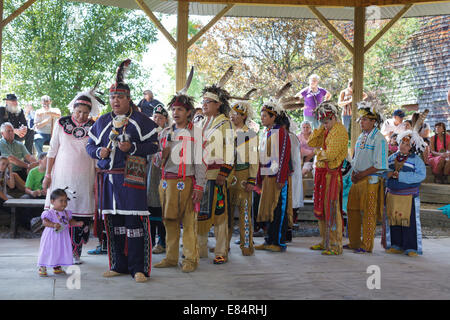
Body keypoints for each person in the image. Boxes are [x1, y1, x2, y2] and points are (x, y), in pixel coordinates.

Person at [86, 59, 158, 283]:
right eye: (112, 97)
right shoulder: (102, 122)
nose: (115, 101)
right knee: (114, 226)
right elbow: (89, 146)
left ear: (128, 99)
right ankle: (118, 265)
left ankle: (139, 268)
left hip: (132, 178)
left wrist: (133, 148)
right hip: (109, 180)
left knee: (135, 225)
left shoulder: (141, 121)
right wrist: (99, 153)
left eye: (120, 97)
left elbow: (154, 146)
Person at [154, 68, 207, 272]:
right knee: (169, 221)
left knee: (188, 222)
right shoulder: (165, 133)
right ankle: (170, 257)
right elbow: (157, 162)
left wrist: (200, 186)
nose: (175, 113)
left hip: (188, 182)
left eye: (180, 110)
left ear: (189, 113)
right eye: (173, 110)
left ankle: (190, 259)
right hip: (167, 182)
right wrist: (163, 153)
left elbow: (201, 162)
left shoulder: (196, 133)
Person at [42, 90, 102, 265]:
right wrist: (47, 174)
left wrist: (96, 181)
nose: (82, 116)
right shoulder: (61, 123)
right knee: (59, 213)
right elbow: (52, 150)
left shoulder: (94, 127)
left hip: (84, 179)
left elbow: (97, 157)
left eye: (85, 112)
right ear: (73, 109)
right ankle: (58, 253)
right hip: (61, 177)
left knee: (80, 217)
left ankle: (75, 253)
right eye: (78, 112)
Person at [197, 66, 235, 265]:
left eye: (207, 102)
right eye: (202, 101)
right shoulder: (202, 122)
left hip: (217, 175)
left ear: (218, 104)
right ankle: (200, 249)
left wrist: (224, 173)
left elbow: (230, 150)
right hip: (201, 175)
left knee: (219, 214)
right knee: (201, 213)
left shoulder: (225, 123)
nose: (203, 105)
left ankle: (221, 251)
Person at [345, 101, 388, 254]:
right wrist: (354, 174)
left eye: (364, 119)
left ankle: (366, 244)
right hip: (357, 178)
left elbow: (379, 164)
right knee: (352, 210)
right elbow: (356, 158)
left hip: (371, 180)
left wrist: (361, 174)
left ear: (373, 122)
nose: (361, 122)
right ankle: (354, 242)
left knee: (368, 213)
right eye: (361, 119)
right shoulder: (361, 137)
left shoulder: (380, 139)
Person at [254, 83, 293, 253]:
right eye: (261, 115)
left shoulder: (281, 132)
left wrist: (280, 179)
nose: (262, 118)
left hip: (278, 177)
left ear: (273, 116)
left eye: (265, 116)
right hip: (268, 176)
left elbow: (284, 156)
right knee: (269, 209)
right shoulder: (268, 132)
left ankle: (278, 242)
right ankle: (269, 239)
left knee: (278, 209)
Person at [307, 102, 348, 255]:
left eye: (326, 121)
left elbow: (329, 155)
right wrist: (320, 128)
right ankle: (325, 241)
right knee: (322, 209)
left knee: (332, 209)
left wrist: (318, 153)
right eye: (322, 122)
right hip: (322, 174)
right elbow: (311, 142)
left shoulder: (339, 131)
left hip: (331, 176)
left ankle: (335, 245)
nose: (325, 124)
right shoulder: (326, 130)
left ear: (333, 117)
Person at [382, 130, 427, 257]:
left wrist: (398, 175)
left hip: (408, 196)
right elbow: (384, 170)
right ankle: (396, 245)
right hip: (392, 195)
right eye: (402, 142)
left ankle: (411, 247)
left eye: (407, 145)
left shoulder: (416, 160)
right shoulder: (392, 158)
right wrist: (387, 173)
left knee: (409, 222)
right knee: (394, 220)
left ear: (412, 147)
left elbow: (421, 175)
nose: (403, 146)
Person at [228, 96, 258, 256]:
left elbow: (254, 159)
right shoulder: (226, 132)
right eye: (232, 113)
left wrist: (252, 179)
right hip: (227, 175)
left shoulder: (250, 134)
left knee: (244, 211)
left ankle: (246, 244)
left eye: (237, 114)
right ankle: (223, 245)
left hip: (244, 175)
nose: (233, 116)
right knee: (226, 212)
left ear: (244, 116)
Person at [37, 189, 84, 277]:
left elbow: (70, 221)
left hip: (62, 237)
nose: (64, 203)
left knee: (59, 251)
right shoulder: (49, 213)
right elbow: (44, 222)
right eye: (61, 201)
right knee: (48, 250)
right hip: (51, 237)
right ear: (52, 201)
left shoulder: (66, 213)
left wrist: (77, 223)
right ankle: (42, 267)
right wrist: (53, 224)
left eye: (65, 201)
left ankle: (57, 266)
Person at [147, 105, 170, 255]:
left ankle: (162, 242)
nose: (157, 120)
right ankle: (149, 241)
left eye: (160, 118)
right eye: (155, 117)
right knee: (149, 209)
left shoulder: (168, 134)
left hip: (161, 174)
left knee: (161, 209)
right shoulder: (147, 133)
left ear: (165, 120)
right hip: (147, 175)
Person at [0, 122, 38, 187]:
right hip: (7, 171)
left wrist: (37, 164)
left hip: (20, 169)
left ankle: (35, 186)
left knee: (32, 169)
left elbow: (29, 157)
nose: (11, 133)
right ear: (2, 133)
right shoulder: (1, 144)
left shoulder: (19, 144)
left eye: (12, 131)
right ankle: (30, 189)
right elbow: (11, 159)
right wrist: (28, 166)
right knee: (15, 175)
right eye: (8, 131)